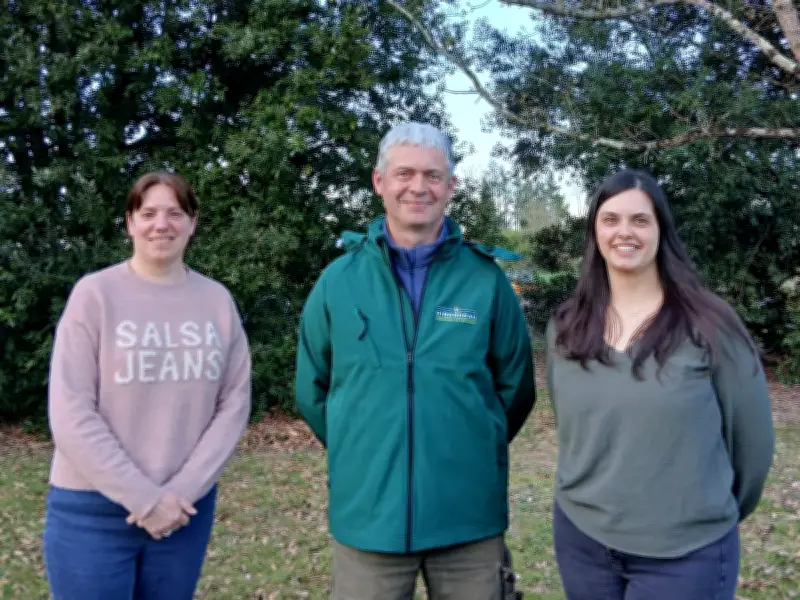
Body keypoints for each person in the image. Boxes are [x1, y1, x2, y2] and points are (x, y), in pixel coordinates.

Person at [295, 122, 536, 600]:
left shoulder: (486, 282)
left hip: (468, 514)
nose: (418, 187)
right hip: (369, 517)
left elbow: (516, 389)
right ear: (379, 182)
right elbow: (313, 389)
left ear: (451, 186)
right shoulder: (338, 281)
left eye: (432, 175)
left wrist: (464, 442)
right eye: (403, 173)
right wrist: (362, 446)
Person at [545, 168, 775, 600]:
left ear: (660, 231)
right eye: (610, 219)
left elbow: (753, 447)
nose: (624, 232)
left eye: (640, 220)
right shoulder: (566, 326)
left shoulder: (711, 325)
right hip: (583, 542)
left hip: (684, 555)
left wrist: (700, 516)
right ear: (594, 232)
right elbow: (575, 429)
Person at [42, 171, 252, 600]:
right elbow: (71, 411)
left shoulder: (216, 301)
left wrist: (180, 494)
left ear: (193, 223)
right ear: (130, 222)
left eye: (176, 213)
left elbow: (234, 403)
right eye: (149, 212)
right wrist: (144, 498)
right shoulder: (95, 295)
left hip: (183, 512)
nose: (163, 224)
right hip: (92, 510)